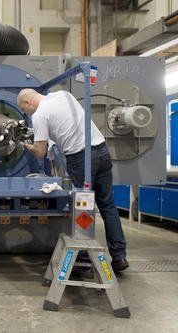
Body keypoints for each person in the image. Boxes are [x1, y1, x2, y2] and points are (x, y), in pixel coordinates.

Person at [17, 88, 129, 272]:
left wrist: (26, 146)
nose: (27, 114)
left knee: (81, 206)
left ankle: (83, 258)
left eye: (25, 110)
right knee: (107, 205)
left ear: (28, 102)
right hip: (101, 149)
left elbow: (40, 152)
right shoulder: (63, 95)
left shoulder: (39, 115)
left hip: (81, 157)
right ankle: (119, 256)